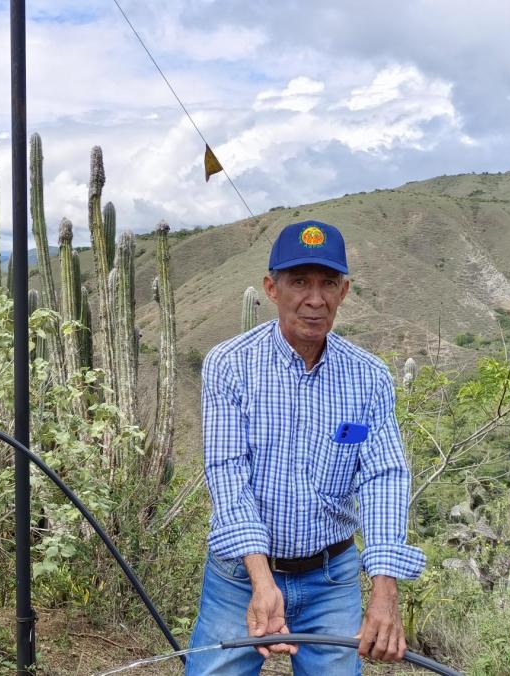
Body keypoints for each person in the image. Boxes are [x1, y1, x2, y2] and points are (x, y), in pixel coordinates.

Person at [184, 220, 425, 675]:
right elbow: (228, 474)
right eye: (299, 282)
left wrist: (384, 590)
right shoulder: (229, 365)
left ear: (344, 291)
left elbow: (384, 478)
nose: (315, 299)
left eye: (327, 284)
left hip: (331, 578)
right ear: (271, 288)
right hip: (239, 575)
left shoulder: (368, 376)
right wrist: (261, 579)